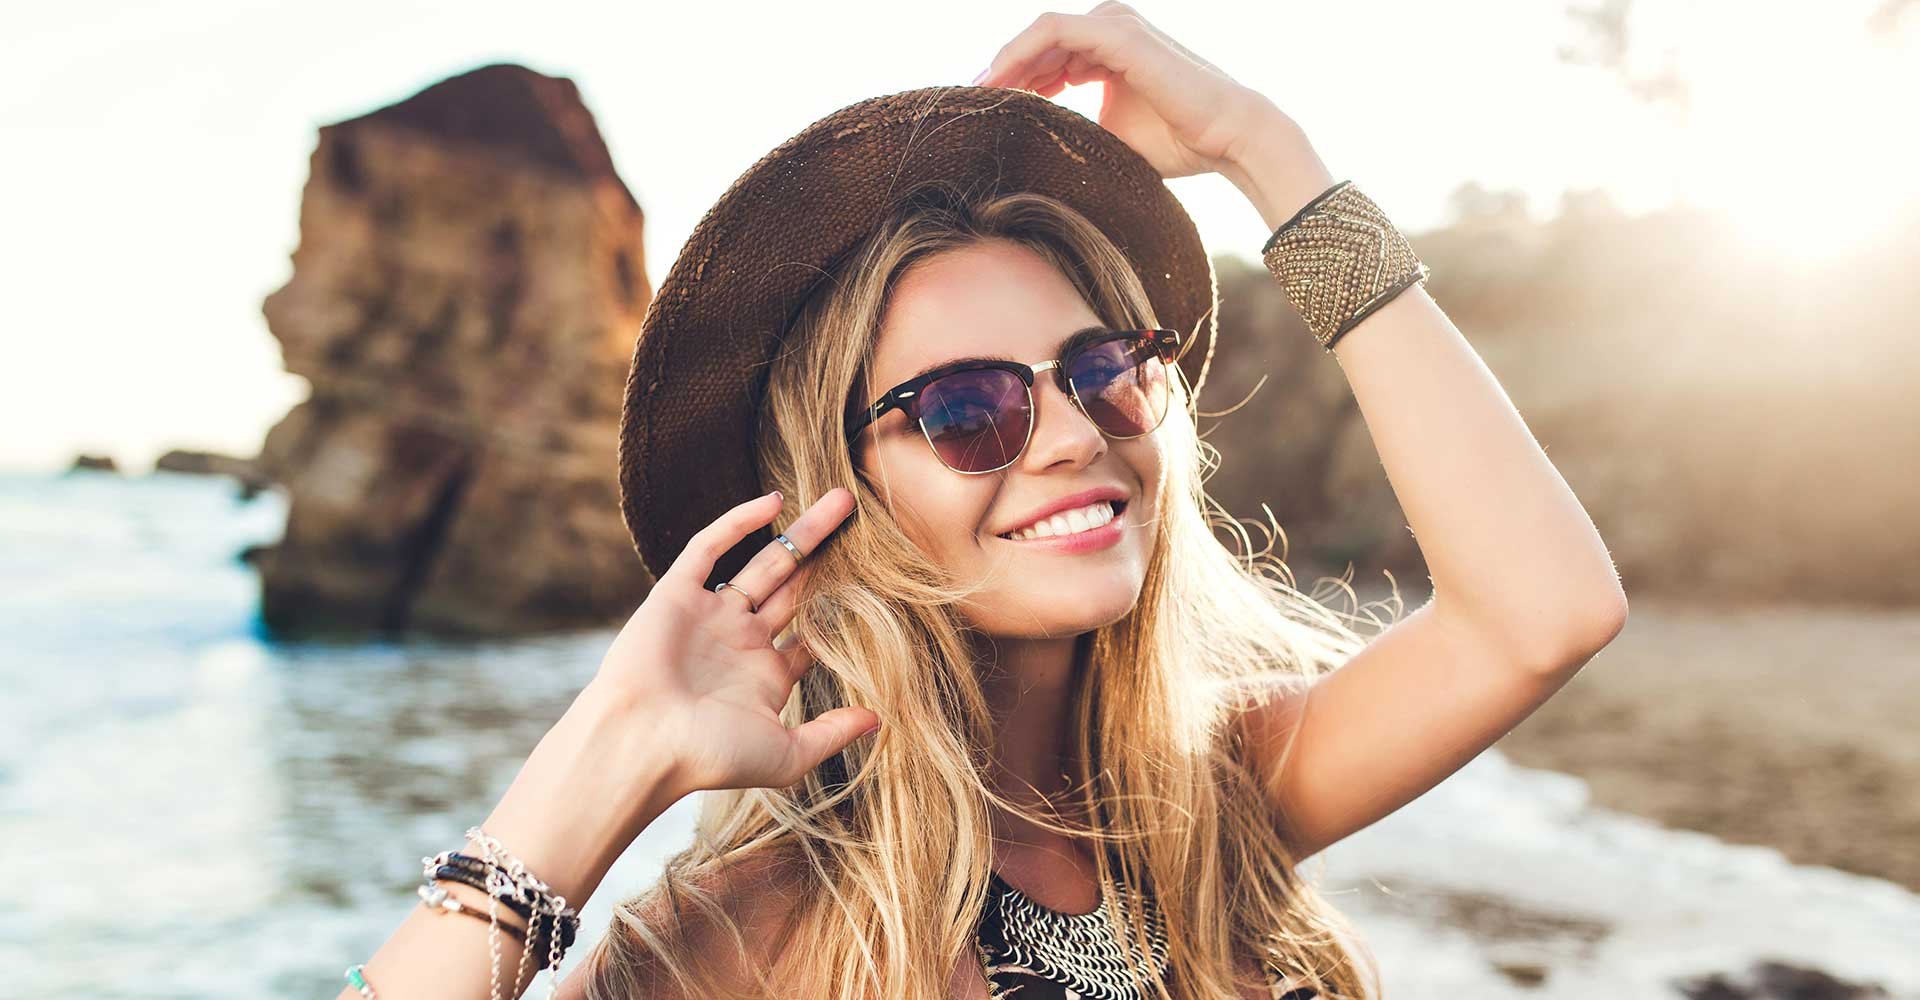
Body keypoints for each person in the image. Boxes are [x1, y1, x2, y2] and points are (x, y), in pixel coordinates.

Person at [336, 5, 1628, 999]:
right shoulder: (753, 932)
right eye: (967, 410)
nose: (1071, 433)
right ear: (841, 499)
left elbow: (1542, 613)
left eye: (1103, 371)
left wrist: (1263, 150)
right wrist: (599, 762)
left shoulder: (1210, 796)